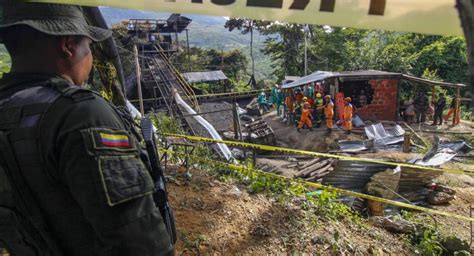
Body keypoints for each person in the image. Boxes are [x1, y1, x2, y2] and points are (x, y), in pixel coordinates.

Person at [0, 2, 174, 255]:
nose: (90, 57)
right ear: (69, 46)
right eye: (89, 46)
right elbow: (138, 236)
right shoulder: (81, 113)